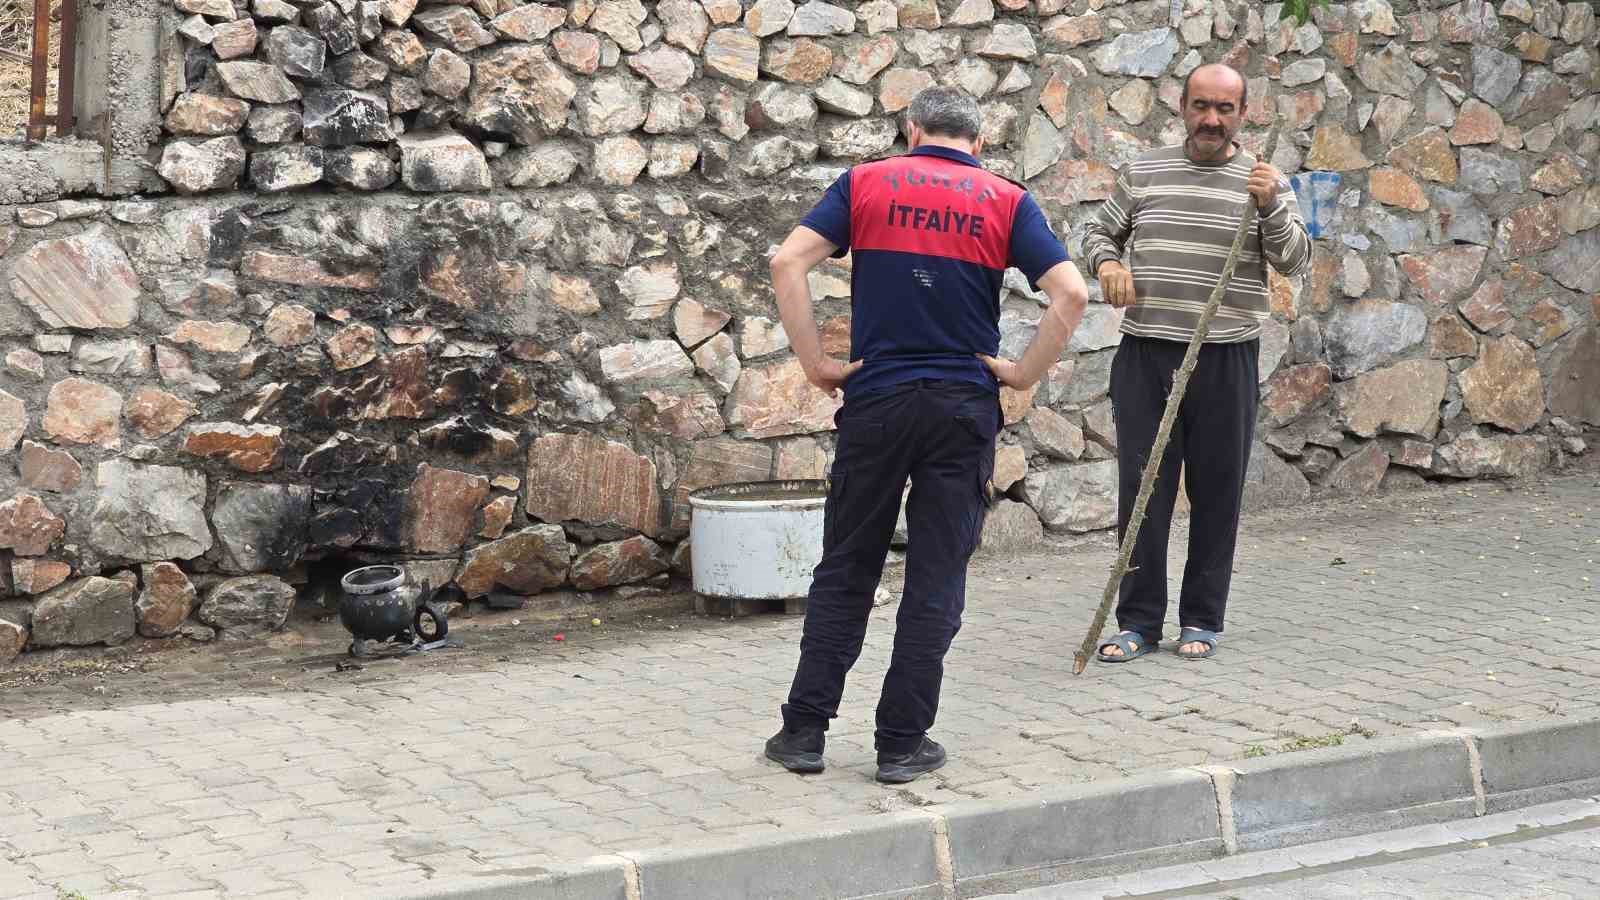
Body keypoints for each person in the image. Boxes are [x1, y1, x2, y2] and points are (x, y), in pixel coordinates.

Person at [763, 86, 1089, 784]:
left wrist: (816, 364)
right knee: (935, 576)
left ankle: (803, 734)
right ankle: (902, 745)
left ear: (912, 131)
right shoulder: (1006, 200)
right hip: (961, 409)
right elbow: (1073, 293)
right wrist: (1021, 370)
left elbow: (786, 262)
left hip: (876, 402)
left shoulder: (865, 183)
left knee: (848, 567)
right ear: (977, 141)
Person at [1080, 63, 1311, 664]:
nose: (1212, 119)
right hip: (1148, 352)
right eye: (1201, 105)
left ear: (1243, 114)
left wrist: (1270, 210)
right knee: (1143, 489)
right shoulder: (1144, 170)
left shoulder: (1263, 181)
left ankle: (1202, 620)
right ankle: (1137, 622)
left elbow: (1292, 259)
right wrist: (1107, 265)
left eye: (1225, 108)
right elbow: (1099, 235)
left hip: (1226, 354)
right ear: (1181, 105)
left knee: (1217, 491)